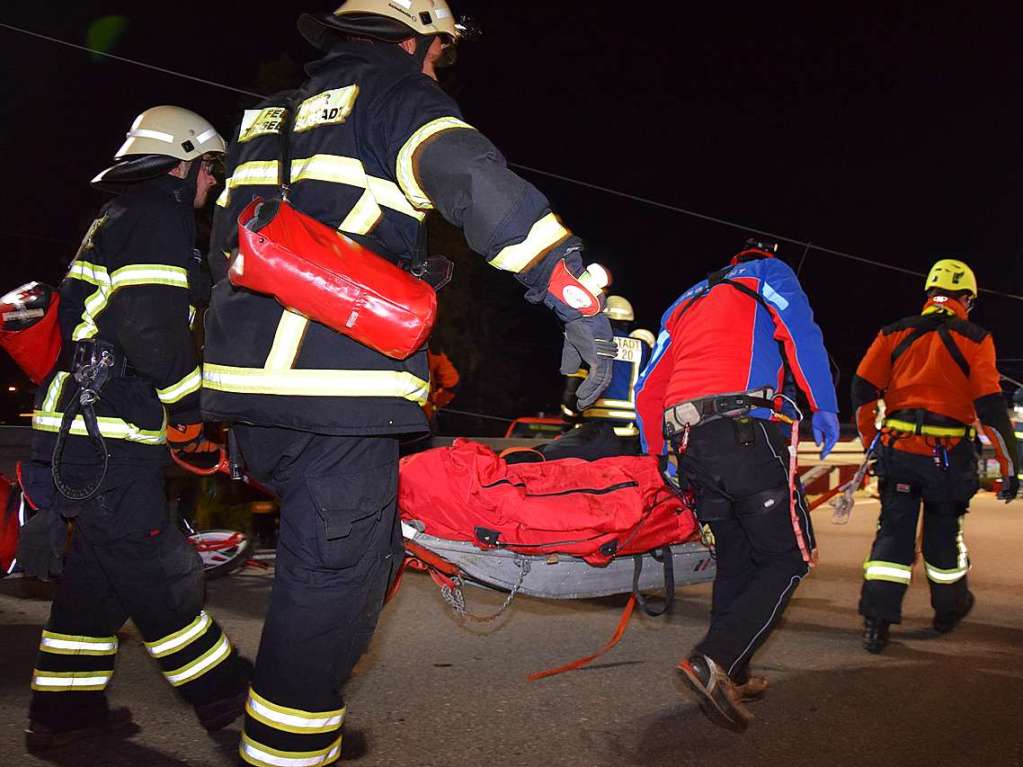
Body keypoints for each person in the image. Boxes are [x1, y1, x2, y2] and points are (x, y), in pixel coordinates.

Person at [201, 2, 617, 764]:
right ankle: (287, 744)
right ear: (414, 37)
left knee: (356, 558)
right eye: (439, 53)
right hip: (337, 393)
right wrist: (575, 298)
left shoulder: (267, 115)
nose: (438, 66)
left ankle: (293, 718)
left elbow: (228, 245)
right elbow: (476, 184)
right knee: (332, 585)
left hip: (249, 394)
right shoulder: (400, 98)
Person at [22, 106, 251, 751]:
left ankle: (64, 721)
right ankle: (232, 706)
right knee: (162, 578)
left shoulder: (122, 218)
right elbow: (150, 327)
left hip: (86, 430)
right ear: (183, 164)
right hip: (107, 436)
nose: (212, 183)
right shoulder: (158, 217)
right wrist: (188, 410)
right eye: (209, 169)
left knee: (93, 592)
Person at [635, 239, 839, 731]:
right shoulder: (771, 274)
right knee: (789, 557)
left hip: (691, 446)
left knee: (737, 559)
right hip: (745, 435)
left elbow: (648, 383)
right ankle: (717, 658)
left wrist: (655, 451)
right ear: (762, 258)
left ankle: (734, 670)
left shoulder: (684, 302)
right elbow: (800, 332)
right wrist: (824, 405)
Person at [851, 259, 1018, 654]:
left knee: (892, 538)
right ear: (967, 300)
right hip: (949, 457)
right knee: (944, 539)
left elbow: (862, 388)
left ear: (928, 295)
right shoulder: (975, 338)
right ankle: (949, 611)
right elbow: (991, 407)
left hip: (898, 451)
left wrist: (871, 441)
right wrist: (1010, 467)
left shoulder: (895, 333)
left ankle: (876, 623)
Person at [562, 295, 655, 443]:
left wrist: (568, 418)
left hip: (592, 430)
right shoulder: (643, 348)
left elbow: (573, 389)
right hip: (629, 431)